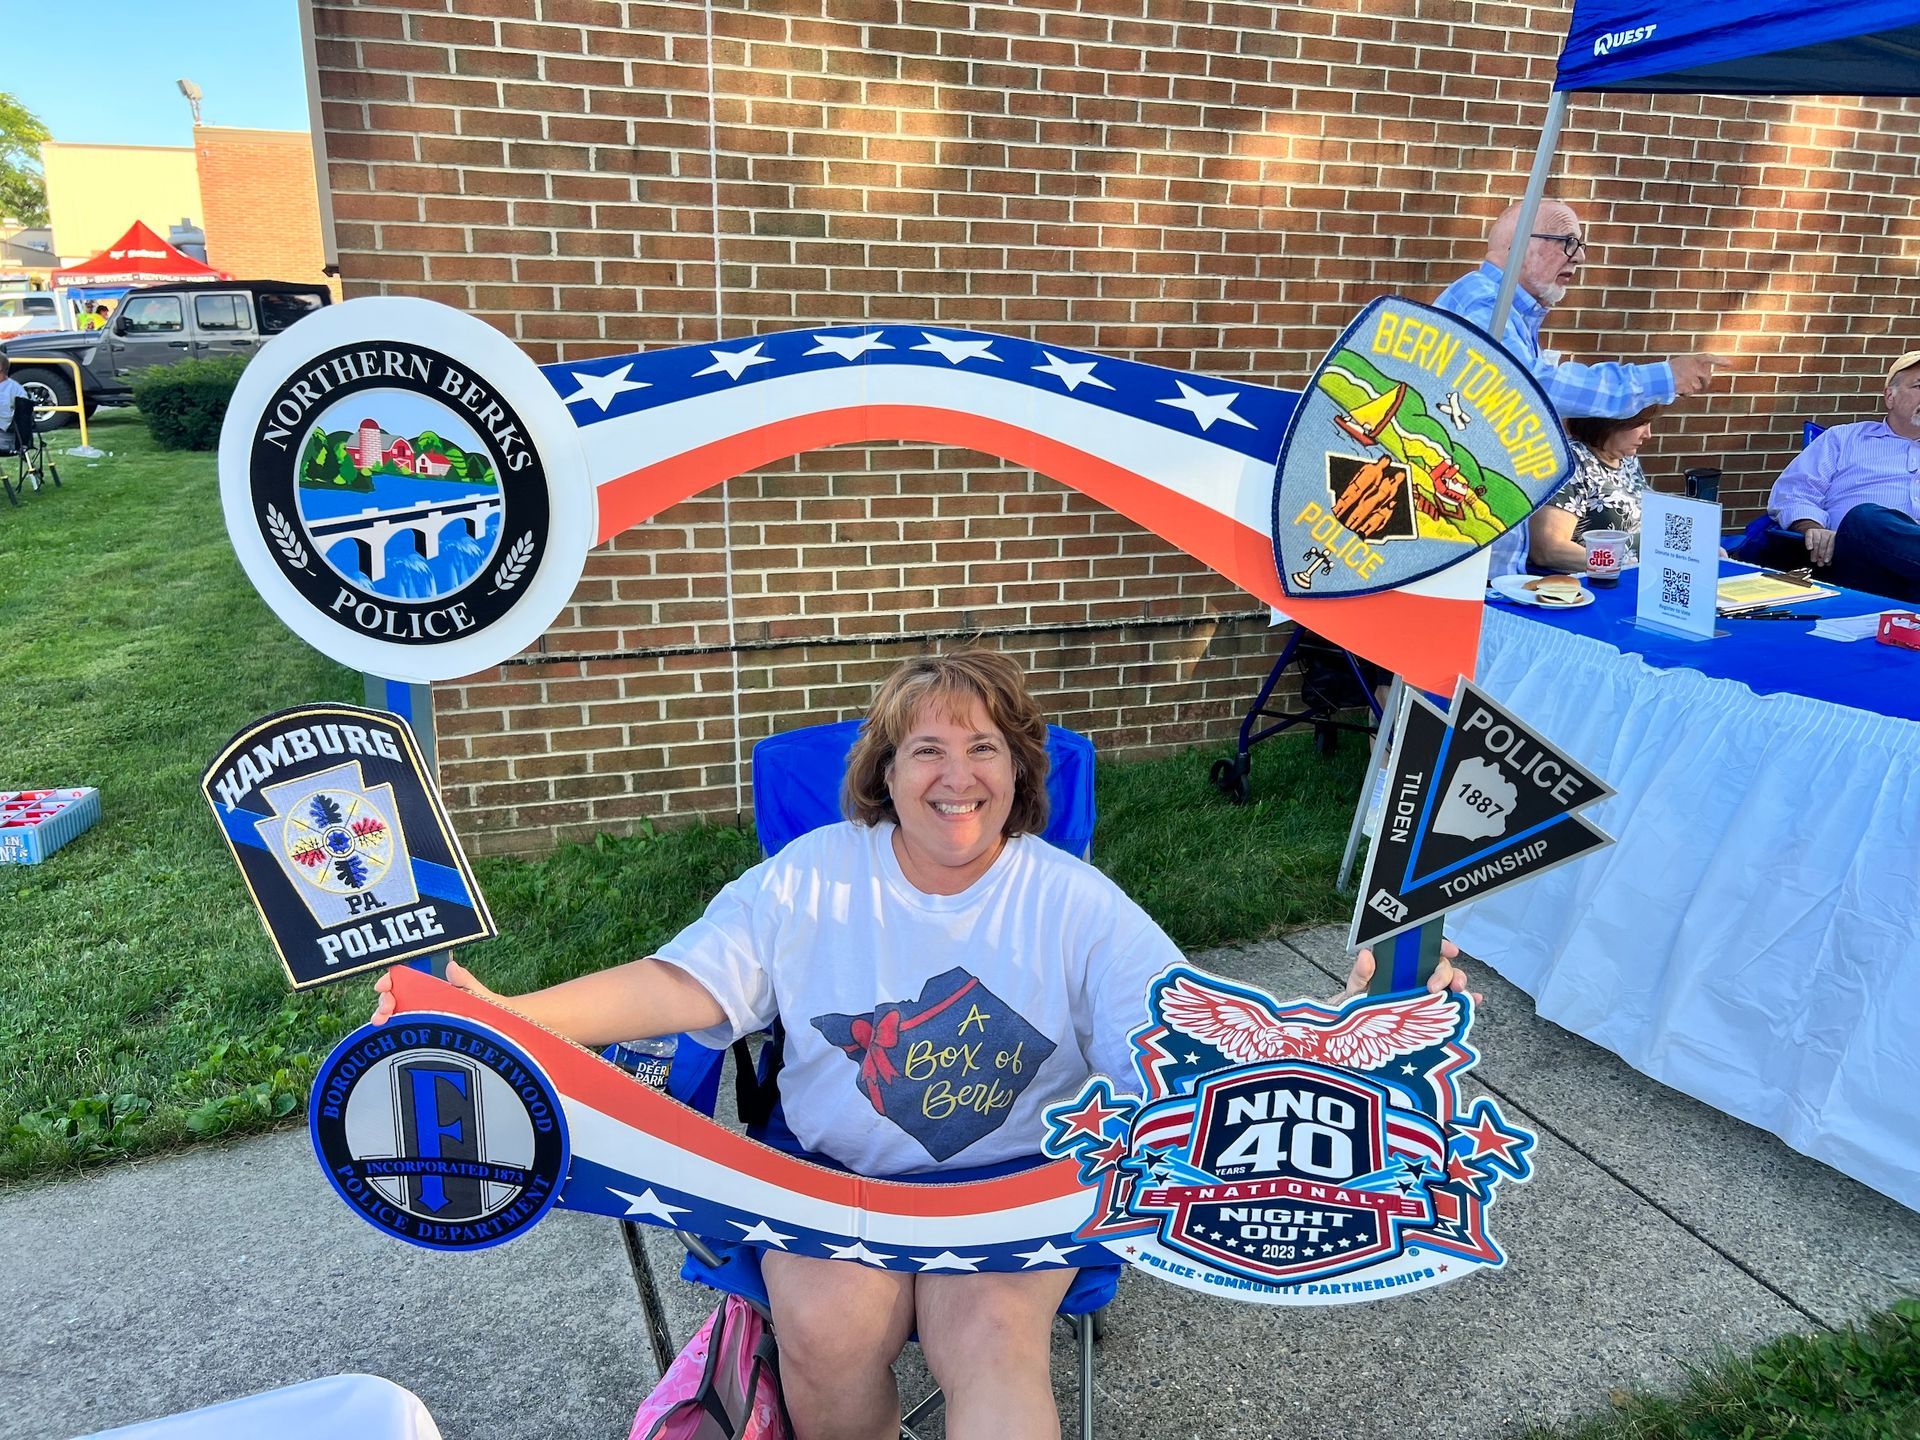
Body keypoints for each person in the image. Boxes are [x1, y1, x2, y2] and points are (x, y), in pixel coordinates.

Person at [371, 649, 1472, 1440]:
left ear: (1018, 774)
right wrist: (507, 1015)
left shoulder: (1072, 899)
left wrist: (1335, 1041)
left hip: (1015, 1191)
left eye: (985, 747)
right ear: (884, 774)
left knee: (989, 1343)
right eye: (927, 749)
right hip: (828, 1184)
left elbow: (1169, 1023)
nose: (958, 774)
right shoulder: (814, 875)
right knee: (827, 1329)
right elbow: (684, 981)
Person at [1434, 199, 1726, 576]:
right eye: (1567, 242)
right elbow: (1531, 387)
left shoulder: (1504, 310)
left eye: (1581, 244)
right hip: (1461, 557)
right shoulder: (1486, 306)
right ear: (1520, 244)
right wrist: (1662, 378)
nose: (1580, 256)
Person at [1768, 349, 1920, 603]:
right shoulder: (1844, 439)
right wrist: (1812, 527)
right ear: (1890, 396)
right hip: (1862, 567)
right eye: (1919, 385)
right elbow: (1792, 493)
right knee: (1865, 517)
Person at [1529, 407, 1662, 573]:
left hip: (1632, 581)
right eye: (1640, 424)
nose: (1648, 434)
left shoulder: (1627, 459)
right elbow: (1548, 550)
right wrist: (1626, 566)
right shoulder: (1571, 462)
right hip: (1587, 587)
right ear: (1610, 422)